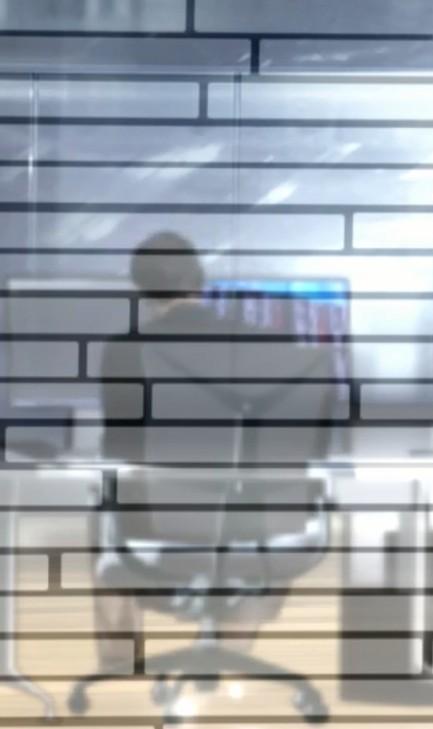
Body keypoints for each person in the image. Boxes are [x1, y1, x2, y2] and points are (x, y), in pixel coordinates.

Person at [92, 232, 331, 670]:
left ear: (142, 289)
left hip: (167, 525)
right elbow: (310, 446)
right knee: (250, 538)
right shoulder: (276, 346)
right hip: (269, 533)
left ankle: (118, 666)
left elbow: (121, 449)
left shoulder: (126, 350)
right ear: (200, 279)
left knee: (105, 525)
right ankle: (227, 657)